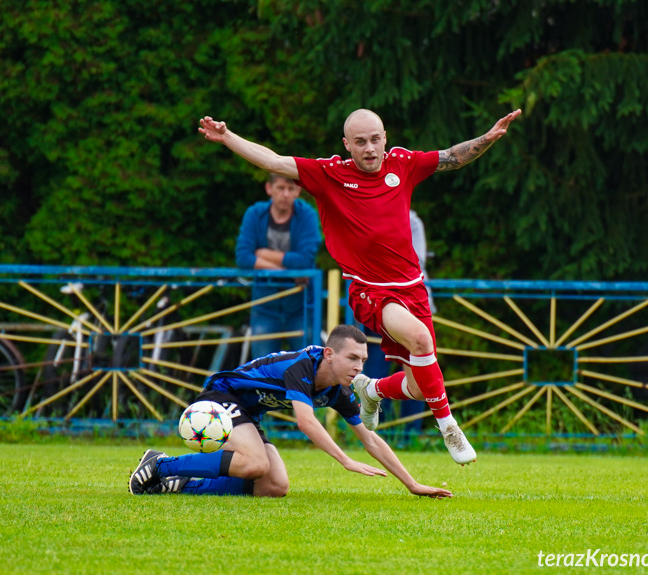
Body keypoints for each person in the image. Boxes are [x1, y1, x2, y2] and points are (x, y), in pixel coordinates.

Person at [199, 107, 522, 465]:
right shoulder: (330, 173)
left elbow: (451, 158)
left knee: (417, 386)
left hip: (413, 287)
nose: (369, 148)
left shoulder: (403, 163)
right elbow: (274, 160)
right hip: (371, 289)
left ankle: (371, 389)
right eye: (360, 142)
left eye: (375, 139)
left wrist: (488, 138)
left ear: (385, 138)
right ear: (347, 145)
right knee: (421, 339)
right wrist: (228, 136)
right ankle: (448, 426)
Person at [129, 324, 452, 498]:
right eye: (352, 358)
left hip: (247, 414)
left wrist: (412, 484)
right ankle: (162, 466)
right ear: (329, 354)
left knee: (274, 487)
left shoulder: (339, 389)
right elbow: (305, 421)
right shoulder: (301, 366)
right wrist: (345, 460)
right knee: (254, 464)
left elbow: (371, 440)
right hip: (220, 398)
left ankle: (183, 484)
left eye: (363, 361)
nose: (358, 367)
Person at [236, 173, 321, 358]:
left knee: (308, 369)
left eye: (291, 189)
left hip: (302, 306)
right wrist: (286, 272)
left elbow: (305, 261)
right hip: (265, 305)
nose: (285, 194)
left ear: (298, 191)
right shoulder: (255, 214)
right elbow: (243, 258)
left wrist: (263, 254)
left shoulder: (307, 215)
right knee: (263, 371)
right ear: (269, 189)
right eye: (280, 188)